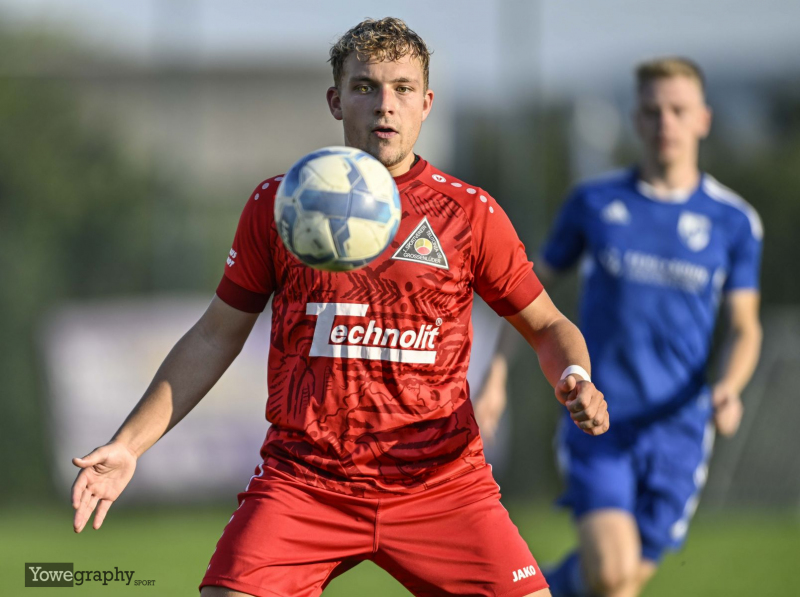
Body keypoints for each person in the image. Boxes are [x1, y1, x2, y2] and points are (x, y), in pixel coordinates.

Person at [70, 18, 609, 597]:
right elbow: (214, 336)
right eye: (365, 87)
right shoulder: (281, 204)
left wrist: (575, 374)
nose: (386, 105)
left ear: (427, 103)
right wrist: (128, 445)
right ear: (335, 100)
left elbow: (547, 324)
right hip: (306, 482)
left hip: (441, 484)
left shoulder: (468, 213)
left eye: (403, 89)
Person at [473, 57, 763, 597]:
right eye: (652, 111)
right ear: (637, 118)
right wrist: (494, 380)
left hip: (681, 429)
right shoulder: (595, 204)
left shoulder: (735, 221)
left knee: (619, 581)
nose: (665, 124)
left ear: (703, 118)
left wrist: (729, 388)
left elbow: (746, 327)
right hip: (599, 418)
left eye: (678, 111)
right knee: (610, 571)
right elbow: (523, 295)